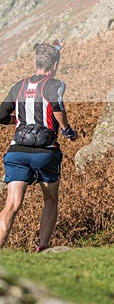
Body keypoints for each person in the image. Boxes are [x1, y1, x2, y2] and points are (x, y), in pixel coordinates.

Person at [0, 41, 77, 251]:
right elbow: (56, 106)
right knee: (50, 198)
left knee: (12, 205)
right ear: (54, 65)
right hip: (45, 152)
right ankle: (42, 249)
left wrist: (16, 122)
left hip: (16, 152)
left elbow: (1, 115)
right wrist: (66, 130)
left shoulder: (18, 86)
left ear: (35, 62)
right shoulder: (55, 84)